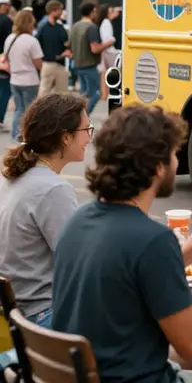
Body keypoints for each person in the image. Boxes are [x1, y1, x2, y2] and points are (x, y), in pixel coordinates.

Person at [51, 104, 192, 383]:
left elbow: (120, 276)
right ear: (158, 168)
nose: (177, 162)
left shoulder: (79, 220)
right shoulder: (153, 240)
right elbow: (191, 343)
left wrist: (177, 259)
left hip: (80, 372)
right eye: (173, 154)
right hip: (129, 378)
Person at [0, 94, 92, 371]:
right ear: (65, 137)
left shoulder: (13, 176)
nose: (89, 138)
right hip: (41, 319)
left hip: (14, 316)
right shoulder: (53, 189)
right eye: (86, 130)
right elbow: (81, 265)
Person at [3, 10, 43, 141]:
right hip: (30, 79)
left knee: (18, 109)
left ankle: (16, 135)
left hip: (14, 78)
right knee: (30, 111)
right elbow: (38, 63)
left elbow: (6, 58)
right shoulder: (32, 41)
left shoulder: (10, 38)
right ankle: (27, 136)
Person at [69, 2, 114, 114]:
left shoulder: (75, 26)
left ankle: (79, 115)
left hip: (78, 64)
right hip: (89, 65)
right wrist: (109, 43)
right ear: (91, 12)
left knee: (84, 94)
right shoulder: (91, 27)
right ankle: (83, 116)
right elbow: (95, 48)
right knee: (96, 93)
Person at [37, 0, 72, 94]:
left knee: (62, 94)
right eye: (60, 10)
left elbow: (66, 44)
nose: (62, 12)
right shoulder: (43, 27)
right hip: (48, 63)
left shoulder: (59, 27)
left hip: (60, 65)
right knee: (44, 94)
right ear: (54, 10)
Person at [97, 4, 120, 101]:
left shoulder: (105, 22)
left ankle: (104, 94)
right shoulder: (107, 23)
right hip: (110, 52)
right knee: (114, 73)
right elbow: (108, 39)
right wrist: (113, 40)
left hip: (108, 51)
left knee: (105, 73)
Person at [0, 0, 13, 132]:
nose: (8, 7)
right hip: (3, 60)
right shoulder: (7, 21)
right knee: (4, 90)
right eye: (6, 5)